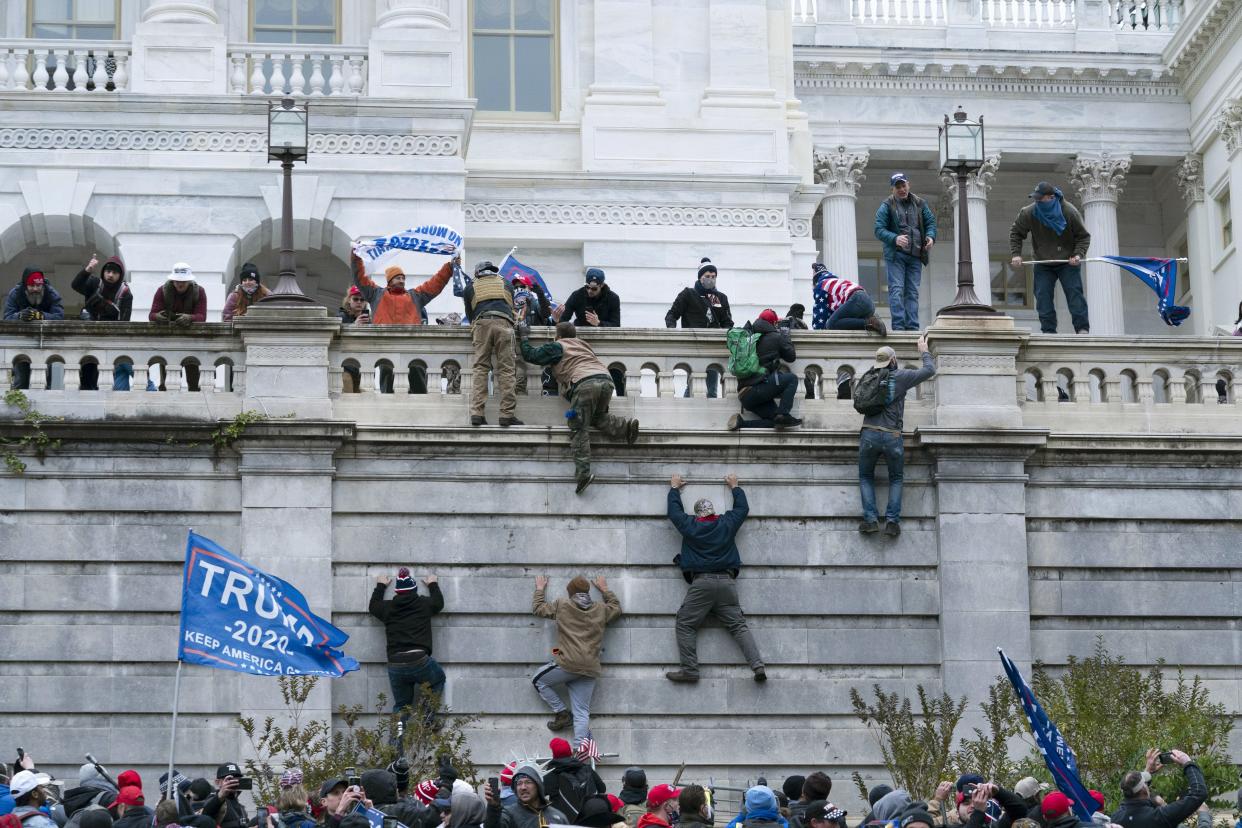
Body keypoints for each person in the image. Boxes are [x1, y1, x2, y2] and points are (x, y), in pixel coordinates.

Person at [518, 321, 639, 494]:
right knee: (596, 417)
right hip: (606, 381)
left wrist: (523, 336)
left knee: (578, 427)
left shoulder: (558, 346)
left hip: (585, 384)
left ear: (558, 336)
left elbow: (531, 355)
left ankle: (583, 474)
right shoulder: (584, 346)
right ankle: (626, 428)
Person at [665, 472, 765, 683]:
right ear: (713, 511)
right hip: (727, 583)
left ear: (698, 514)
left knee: (685, 623)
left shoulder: (691, 526)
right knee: (738, 626)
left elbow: (674, 513)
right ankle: (757, 666)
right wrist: (735, 487)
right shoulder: (726, 523)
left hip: (703, 583)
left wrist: (674, 489)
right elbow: (742, 509)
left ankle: (690, 670)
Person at [857, 335, 935, 538]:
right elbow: (929, 371)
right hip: (892, 435)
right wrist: (924, 351)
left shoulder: (869, 376)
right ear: (893, 360)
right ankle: (892, 522)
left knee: (866, 477)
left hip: (868, 433)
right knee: (896, 478)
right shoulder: (900, 376)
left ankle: (870, 520)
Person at [532, 574, 622, 743]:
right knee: (581, 712)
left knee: (538, 680)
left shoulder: (562, 604)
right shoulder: (601, 609)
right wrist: (605, 589)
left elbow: (538, 608)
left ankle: (562, 713)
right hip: (590, 668)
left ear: (570, 592)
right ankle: (580, 752)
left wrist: (539, 589)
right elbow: (616, 608)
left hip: (568, 664)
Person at [370, 567, 446, 741]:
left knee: (401, 707)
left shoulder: (388, 608)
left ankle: (394, 749)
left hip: (396, 664)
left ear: (397, 591)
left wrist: (380, 586)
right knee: (438, 679)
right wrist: (433, 584)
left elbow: (373, 606)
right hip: (419, 660)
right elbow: (439, 603)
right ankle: (427, 718)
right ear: (414, 589)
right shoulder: (423, 604)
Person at [1008, 181, 1092, 334]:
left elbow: (1083, 237)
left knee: (1074, 293)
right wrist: (1016, 254)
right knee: (1042, 295)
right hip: (1043, 262)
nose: (1037, 201)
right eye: (1036, 199)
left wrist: (1078, 254)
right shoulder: (1029, 212)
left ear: (1051, 197)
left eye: (1041, 199)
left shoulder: (1069, 212)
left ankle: (1082, 328)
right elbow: (1016, 233)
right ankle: (1048, 331)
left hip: (1067, 261)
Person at [874, 173, 936, 332]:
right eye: (898, 186)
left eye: (903, 185)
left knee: (912, 292)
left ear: (908, 185)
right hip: (896, 255)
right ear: (893, 189)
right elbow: (878, 230)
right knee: (896, 290)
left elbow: (930, 222)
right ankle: (899, 327)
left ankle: (913, 327)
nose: (901, 189)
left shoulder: (920, 203)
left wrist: (930, 236)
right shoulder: (887, 205)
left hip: (916, 255)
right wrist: (895, 238)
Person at [464, 260, 521, 427]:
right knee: (507, 370)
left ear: (477, 273)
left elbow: (470, 314)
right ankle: (506, 415)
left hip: (482, 324)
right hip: (504, 324)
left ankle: (477, 413)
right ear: (493, 271)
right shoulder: (505, 283)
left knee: (481, 367)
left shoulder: (470, 286)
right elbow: (510, 306)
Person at [665, 258, 733, 398]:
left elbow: (727, 322)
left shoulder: (720, 298)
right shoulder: (689, 294)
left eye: (713, 277)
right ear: (700, 277)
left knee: (712, 389)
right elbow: (672, 315)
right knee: (694, 384)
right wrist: (672, 332)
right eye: (707, 276)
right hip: (693, 344)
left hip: (714, 347)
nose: (711, 279)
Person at [728, 309, 801, 431]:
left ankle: (741, 423)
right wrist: (785, 336)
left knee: (775, 421)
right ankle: (784, 413)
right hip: (759, 389)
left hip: (744, 395)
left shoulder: (749, 337)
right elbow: (791, 357)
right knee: (791, 379)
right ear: (773, 323)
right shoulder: (776, 337)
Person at [1113, 749, 1206, 828]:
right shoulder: (1157, 818)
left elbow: (1135, 793)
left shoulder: (1116, 818)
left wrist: (1148, 771)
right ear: (1144, 791)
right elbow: (1198, 793)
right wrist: (1188, 763)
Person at [483, 764, 569, 828]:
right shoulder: (509, 814)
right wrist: (493, 807)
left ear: (538, 786)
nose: (523, 787)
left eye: (528, 782)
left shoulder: (558, 817)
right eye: (519, 783)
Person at [810, 264, 887, 335]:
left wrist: (819, 332)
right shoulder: (836, 282)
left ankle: (870, 322)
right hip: (868, 303)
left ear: (815, 281)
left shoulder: (821, 285)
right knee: (842, 322)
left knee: (831, 324)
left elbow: (820, 313)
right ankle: (872, 321)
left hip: (857, 299)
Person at [541, 739, 606, 822]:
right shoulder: (587, 769)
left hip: (563, 822)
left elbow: (539, 795)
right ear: (570, 752)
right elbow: (602, 788)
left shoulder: (551, 776)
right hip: (588, 820)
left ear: (554, 755)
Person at [72, 253, 132, 322]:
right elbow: (75, 285)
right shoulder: (95, 283)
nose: (110, 275)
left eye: (115, 272)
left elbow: (125, 321)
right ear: (103, 272)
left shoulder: (125, 293)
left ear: (120, 275)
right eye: (108, 271)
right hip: (90, 327)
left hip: (113, 329)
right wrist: (88, 269)